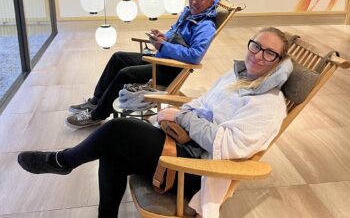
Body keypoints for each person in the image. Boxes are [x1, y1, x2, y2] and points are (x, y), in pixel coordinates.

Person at [18, 27, 293, 218]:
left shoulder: (268, 104)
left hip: (199, 170)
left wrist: (182, 115)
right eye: (255, 46)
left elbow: (227, 144)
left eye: (269, 53)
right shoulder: (238, 78)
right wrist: (177, 113)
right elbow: (203, 103)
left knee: (117, 129)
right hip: (184, 144)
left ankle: (62, 161)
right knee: (112, 150)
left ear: (279, 63)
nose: (257, 55)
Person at [66, 0, 219, 128]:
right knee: (118, 57)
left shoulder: (206, 26)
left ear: (210, 1)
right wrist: (163, 37)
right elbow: (175, 33)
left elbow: (194, 55)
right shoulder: (189, 14)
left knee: (126, 73)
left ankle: (97, 115)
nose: (193, 2)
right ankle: (96, 101)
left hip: (171, 68)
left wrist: (163, 46)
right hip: (162, 59)